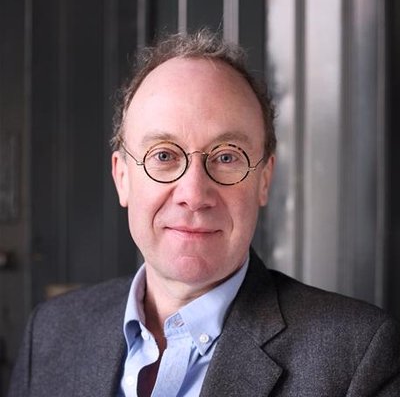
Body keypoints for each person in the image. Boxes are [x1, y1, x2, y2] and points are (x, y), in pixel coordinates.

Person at [8, 29, 400, 397]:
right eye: (164, 155)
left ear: (264, 179)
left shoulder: (357, 357)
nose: (194, 194)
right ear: (122, 178)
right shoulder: (50, 333)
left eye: (227, 157)